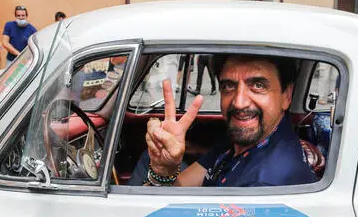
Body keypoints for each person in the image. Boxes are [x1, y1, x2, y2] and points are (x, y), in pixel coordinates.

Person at [135, 54, 317, 187]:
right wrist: (163, 170)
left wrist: (160, 177)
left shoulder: (263, 185)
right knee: (149, 157)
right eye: (229, 86)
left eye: (258, 85)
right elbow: (184, 182)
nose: (239, 103)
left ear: (286, 96)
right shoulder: (247, 135)